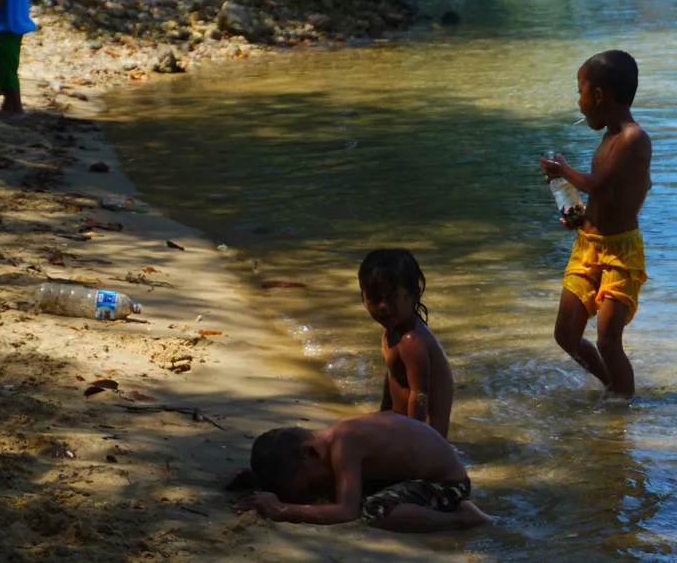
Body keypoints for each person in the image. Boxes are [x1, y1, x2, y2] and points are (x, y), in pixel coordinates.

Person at [538, 50, 652, 396]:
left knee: (607, 338)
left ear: (598, 95)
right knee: (565, 335)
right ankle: (610, 388)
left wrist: (563, 171)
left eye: (580, 92)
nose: (579, 102)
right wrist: (580, 215)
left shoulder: (634, 138)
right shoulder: (608, 139)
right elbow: (604, 198)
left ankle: (625, 410)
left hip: (620, 254)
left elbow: (598, 183)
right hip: (588, 247)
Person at [234, 413, 489, 532]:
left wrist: (281, 509)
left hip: (446, 485)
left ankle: (463, 518)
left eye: (308, 485)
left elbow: (346, 511)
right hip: (410, 477)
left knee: (373, 510)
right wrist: (264, 477)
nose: (312, 489)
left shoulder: (345, 444)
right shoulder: (327, 444)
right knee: (333, 491)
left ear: (307, 453)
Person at [358, 249, 454, 438]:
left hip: (427, 439)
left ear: (415, 295)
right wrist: (382, 414)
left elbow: (420, 396)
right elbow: (393, 375)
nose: (383, 307)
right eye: (375, 298)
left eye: (392, 297)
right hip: (405, 426)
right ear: (363, 298)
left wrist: (412, 442)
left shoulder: (412, 342)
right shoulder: (391, 330)